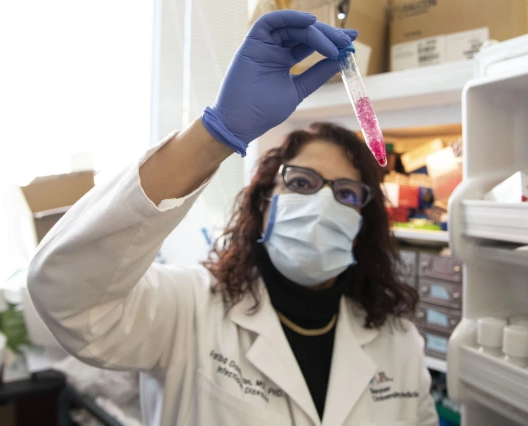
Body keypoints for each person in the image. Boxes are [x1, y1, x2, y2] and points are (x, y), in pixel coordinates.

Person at [28, 10, 438, 426]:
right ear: (263, 206)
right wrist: (217, 133)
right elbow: (65, 297)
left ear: (362, 225)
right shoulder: (188, 309)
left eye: (346, 194)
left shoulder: (399, 344)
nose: (323, 205)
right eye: (300, 184)